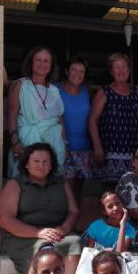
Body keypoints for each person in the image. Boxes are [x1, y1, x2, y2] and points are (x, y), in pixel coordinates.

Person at [0, 143, 82, 274]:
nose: (41, 165)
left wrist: (64, 228)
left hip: (57, 233)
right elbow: (5, 220)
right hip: (23, 237)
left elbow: (73, 211)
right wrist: (38, 233)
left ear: (51, 165)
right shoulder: (15, 184)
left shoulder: (61, 182)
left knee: (75, 242)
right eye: (36, 161)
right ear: (26, 164)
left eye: (45, 162)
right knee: (45, 250)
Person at [89, 52, 138, 187]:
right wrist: (97, 146)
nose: (121, 71)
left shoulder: (136, 92)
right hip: (111, 152)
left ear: (129, 70)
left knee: (134, 191)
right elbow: (92, 120)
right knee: (111, 195)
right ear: (111, 71)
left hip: (135, 152)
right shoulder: (104, 91)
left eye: (124, 67)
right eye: (117, 67)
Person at [8, 46, 66, 177]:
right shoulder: (21, 85)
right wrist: (15, 143)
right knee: (26, 183)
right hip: (27, 143)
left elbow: (59, 119)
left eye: (46, 61)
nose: (42, 64)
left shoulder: (54, 90)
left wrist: (65, 144)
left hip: (55, 147)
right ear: (31, 62)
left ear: (51, 66)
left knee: (52, 184)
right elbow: (12, 115)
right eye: (38, 60)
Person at [55, 55, 91, 207]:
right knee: (65, 189)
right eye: (74, 70)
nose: (77, 74)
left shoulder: (86, 91)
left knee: (78, 190)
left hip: (84, 148)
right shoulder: (55, 89)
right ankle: (63, 222)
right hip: (64, 147)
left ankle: (74, 224)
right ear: (66, 71)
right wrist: (63, 143)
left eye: (81, 71)